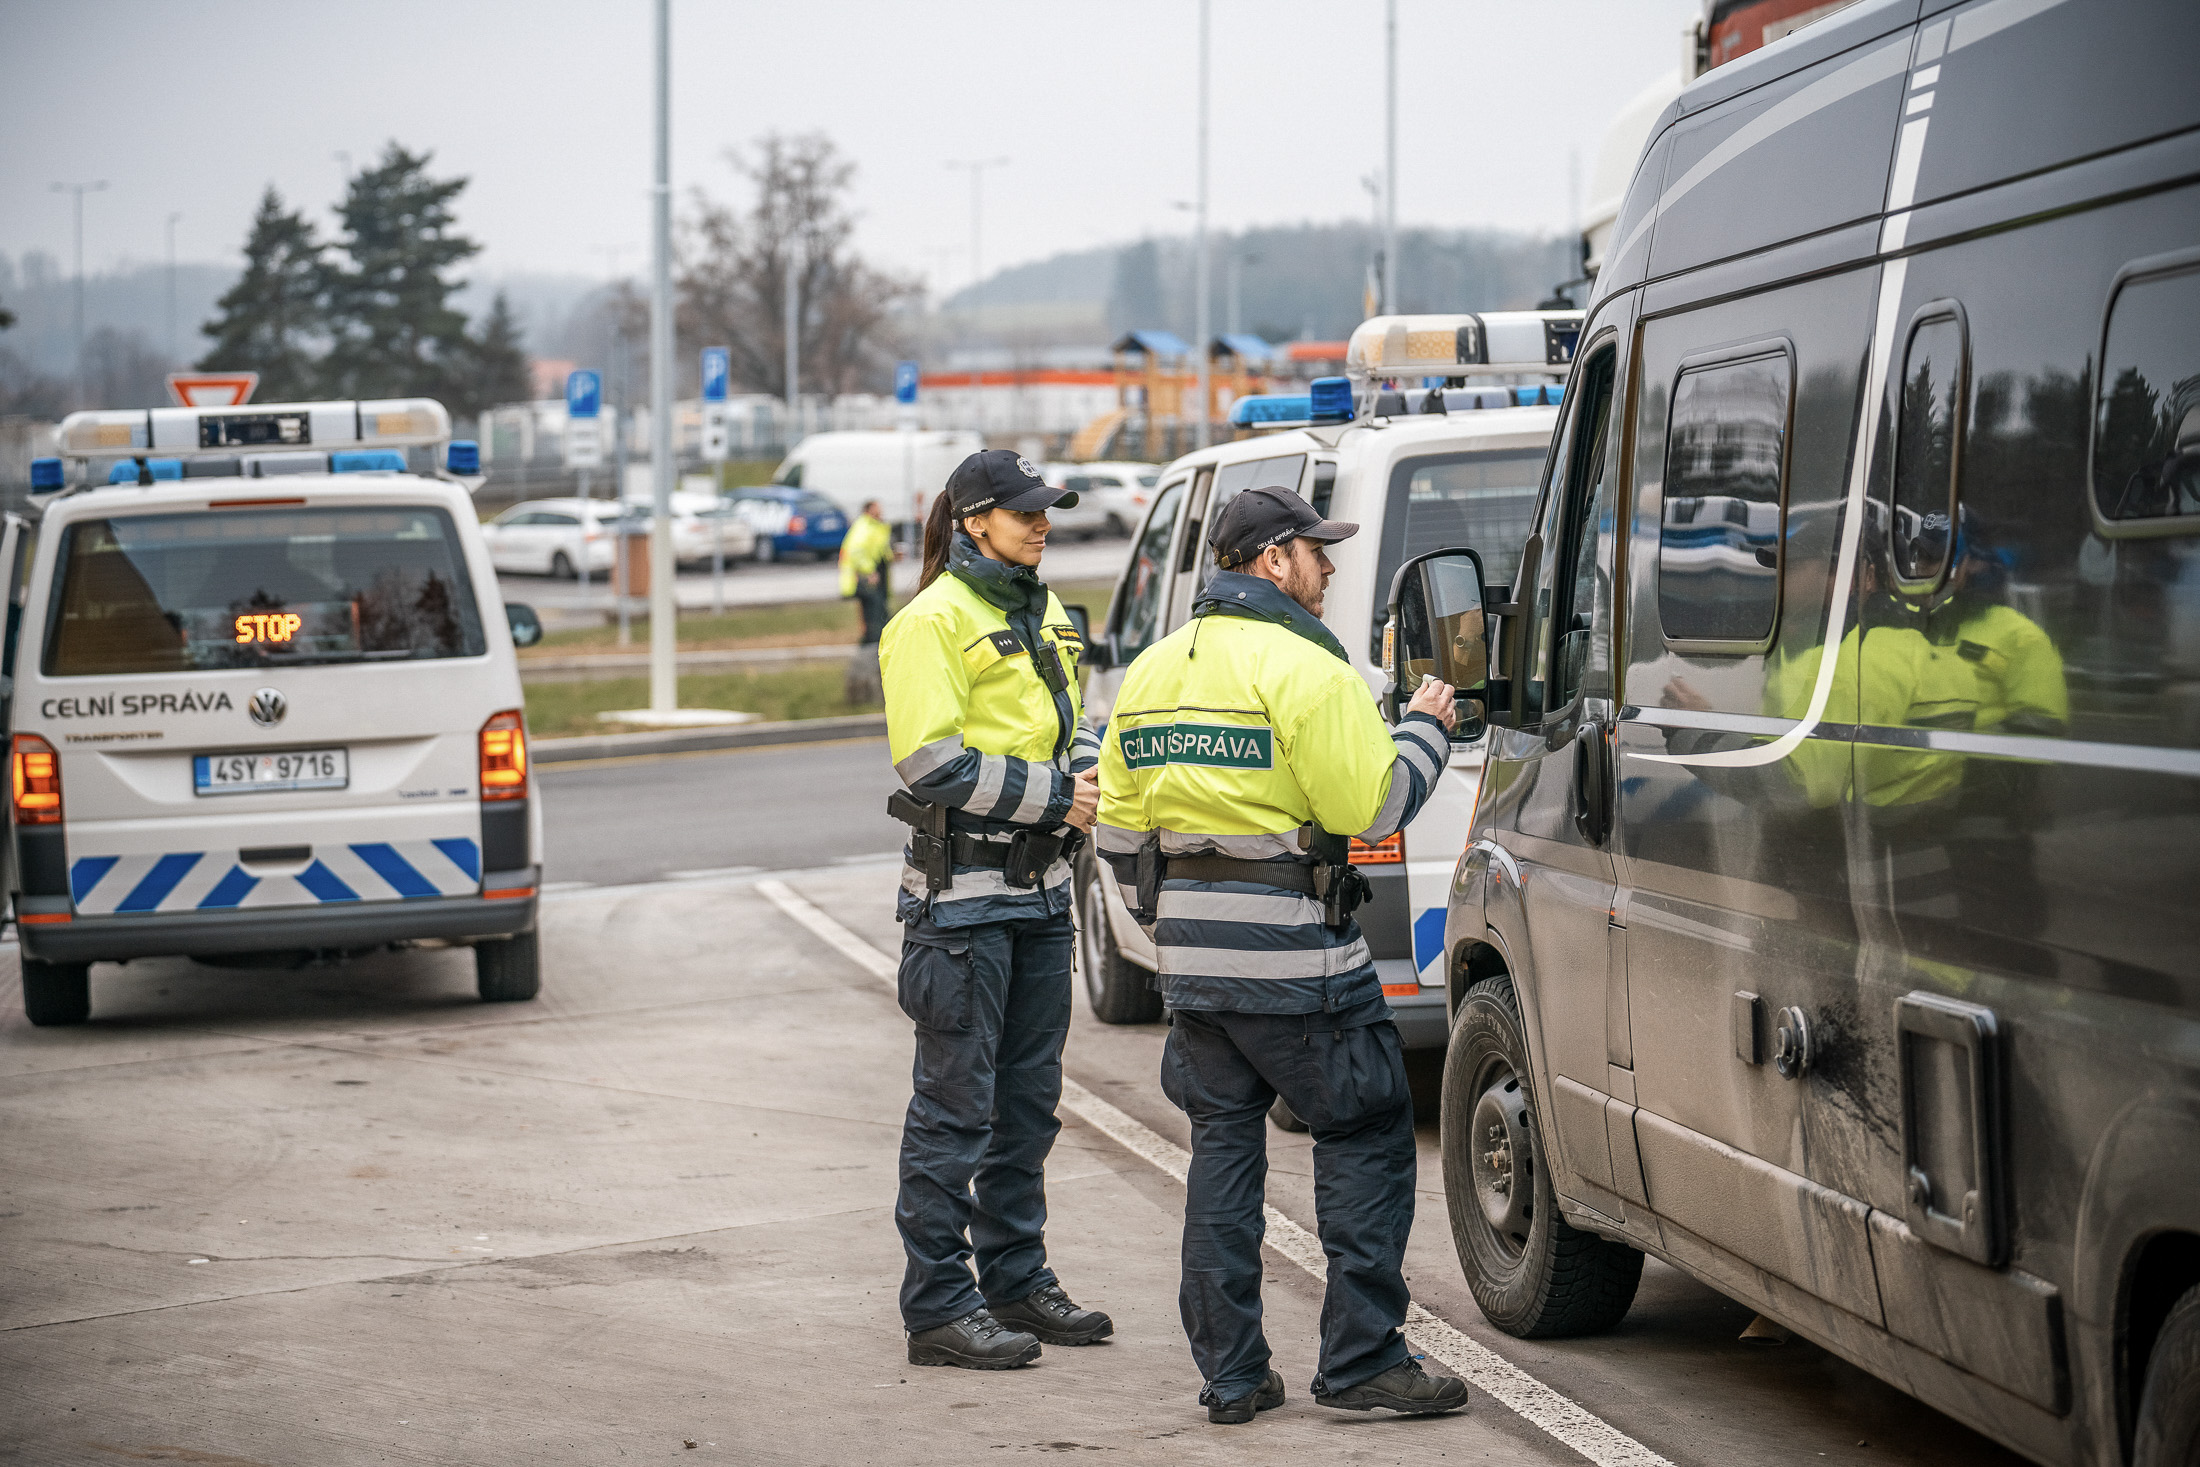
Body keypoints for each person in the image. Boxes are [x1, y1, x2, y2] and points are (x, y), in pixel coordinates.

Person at [1094, 486, 1471, 1424]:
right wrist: (1427, 726)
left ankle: (1231, 1376)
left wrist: (1175, 924)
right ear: (1271, 560)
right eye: (1316, 548)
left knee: (1223, 1156)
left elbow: (1114, 828)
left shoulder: (1150, 671)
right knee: (1366, 1130)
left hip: (1195, 976)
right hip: (1303, 973)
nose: (1330, 565)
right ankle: (1361, 1359)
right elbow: (1370, 809)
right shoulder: (1310, 669)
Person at [878, 450, 1111, 1371]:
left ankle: (1014, 1278)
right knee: (953, 1112)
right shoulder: (930, 621)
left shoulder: (1039, 605)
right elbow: (932, 765)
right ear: (975, 521)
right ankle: (938, 1304)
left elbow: (1076, 712)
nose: (1043, 523)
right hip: (963, 909)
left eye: (1046, 510)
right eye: (1025, 513)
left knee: (1026, 1106)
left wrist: (1081, 769)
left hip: (1041, 897)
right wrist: (1060, 794)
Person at [840, 499, 895, 645]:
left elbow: (878, 548)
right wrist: (869, 571)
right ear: (868, 510)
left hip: (876, 572)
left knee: (878, 606)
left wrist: (890, 557)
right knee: (874, 607)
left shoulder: (874, 526)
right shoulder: (864, 527)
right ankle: (874, 639)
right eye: (877, 508)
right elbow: (856, 552)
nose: (880, 511)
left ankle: (876, 637)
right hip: (867, 576)